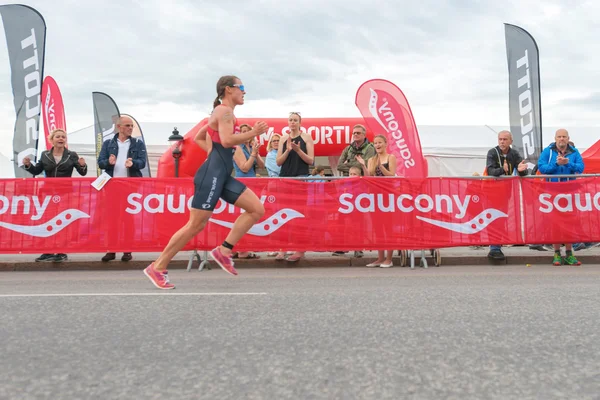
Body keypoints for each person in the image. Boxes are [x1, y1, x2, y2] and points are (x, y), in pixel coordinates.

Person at [144, 75, 268, 289]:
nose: (244, 92)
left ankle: (224, 250)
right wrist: (254, 133)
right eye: (242, 87)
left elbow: (202, 137)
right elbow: (228, 140)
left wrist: (214, 152)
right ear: (229, 89)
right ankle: (157, 266)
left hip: (220, 175)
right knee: (195, 225)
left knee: (256, 209)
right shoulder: (225, 111)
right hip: (211, 176)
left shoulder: (221, 112)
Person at [23, 128, 88, 262]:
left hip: (65, 193)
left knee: (62, 222)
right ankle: (47, 251)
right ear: (52, 140)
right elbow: (37, 170)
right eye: (58, 137)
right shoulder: (45, 154)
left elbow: (82, 173)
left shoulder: (71, 155)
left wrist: (83, 165)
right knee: (47, 222)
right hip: (48, 193)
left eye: (63, 137)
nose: (61, 139)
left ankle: (61, 251)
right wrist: (28, 165)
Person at [97, 115, 148, 262]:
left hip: (130, 186)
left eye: (131, 126)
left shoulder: (137, 143)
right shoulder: (108, 143)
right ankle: (111, 249)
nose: (130, 128)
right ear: (119, 127)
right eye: (127, 125)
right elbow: (101, 163)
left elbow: (142, 162)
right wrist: (108, 162)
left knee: (128, 219)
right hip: (112, 186)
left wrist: (134, 164)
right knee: (112, 219)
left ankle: (127, 249)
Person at [538, 128, 585, 266]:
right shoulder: (548, 151)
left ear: (568, 138)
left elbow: (581, 167)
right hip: (552, 192)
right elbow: (542, 168)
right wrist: (557, 164)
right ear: (555, 138)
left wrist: (567, 163)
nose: (562, 139)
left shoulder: (574, 152)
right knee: (555, 223)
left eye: (564, 136)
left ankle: (569, 253)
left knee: (570, 222)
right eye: (559, 136)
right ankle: (557, 253)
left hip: (570, 191)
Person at [275, 112, 314, 262]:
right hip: (285, 179)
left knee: (299, 216)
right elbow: (278, 162)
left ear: (300, 123)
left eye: (295, 120)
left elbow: (311, 161)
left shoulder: (306, 138)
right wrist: (287, 150)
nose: (292, 122)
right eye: (290, 120)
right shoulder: (284, 138)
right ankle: (282, 248)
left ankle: (300, 250)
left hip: (300, 178)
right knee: (282, 215)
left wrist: (298, 150)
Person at [484, 130, 528, 261]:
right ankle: (494, 248)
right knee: (493, 219)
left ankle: (498, 245)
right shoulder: (492, 152)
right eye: (500, 139)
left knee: (501, 219)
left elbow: (523, 171)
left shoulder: (514, 153)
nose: (502, 142)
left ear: (511, 141)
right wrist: (502, 170)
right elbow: (490, 170)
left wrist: (522, 170)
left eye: (505, 139)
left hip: (506, 192)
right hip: (491, 190)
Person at [357, 134, 397, 267]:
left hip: (388, 196)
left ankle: (389, 259)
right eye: (375, 143)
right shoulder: (371, 159)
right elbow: (369, 177)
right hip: (375, 196)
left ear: (386, 144)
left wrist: (382, 167)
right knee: (378, 228)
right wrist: (363, 165)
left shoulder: (391, 157)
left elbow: (391, 175)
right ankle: (380, 258)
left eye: (380, 142)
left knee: (388, 228)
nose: (378, 145)